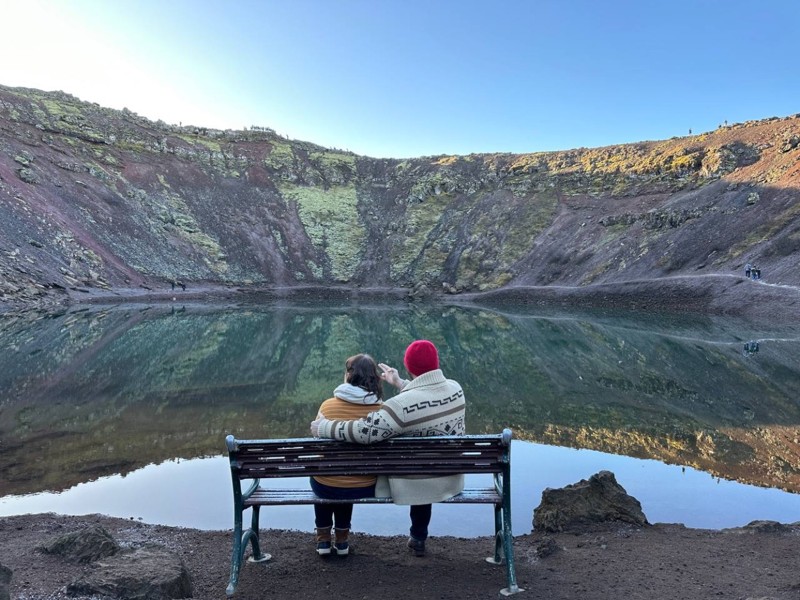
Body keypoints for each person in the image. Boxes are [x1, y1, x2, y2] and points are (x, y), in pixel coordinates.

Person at [311, 340, 466, 557]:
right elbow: (426, 399)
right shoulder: (456, 389)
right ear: (436, 364)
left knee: (418, 466)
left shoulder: (399, 406)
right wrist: (400, 383)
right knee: (423, 463)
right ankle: (418, 537)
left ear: (409, 367)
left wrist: (325, 426)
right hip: (450, 477)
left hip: (416, 481)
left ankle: (326, 536)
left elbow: (365, 432)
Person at [310, 353, 384, 557]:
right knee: (350, 475)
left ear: (350, 376)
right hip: (364, 485)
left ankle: (323, 540)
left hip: (326, 484)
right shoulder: (381, 410)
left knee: (325, 475)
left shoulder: (327, 406)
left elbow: (316, 441)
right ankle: (342, 540)